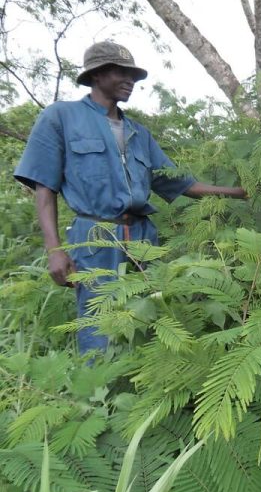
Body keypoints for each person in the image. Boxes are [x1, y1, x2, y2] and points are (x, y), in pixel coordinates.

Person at [14, 41, 247, 356]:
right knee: (100, 322)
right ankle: (99, 397)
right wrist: (55, 250)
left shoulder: (139, 133)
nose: (130, 81)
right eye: (121, 72)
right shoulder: (61, 118)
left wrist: (240, 193)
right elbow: (44, 188)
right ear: (96, 75)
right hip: (95, 236)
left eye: (133, 75)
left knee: (157, 312)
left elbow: (181, 184)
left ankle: (152, 386)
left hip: (143, 235)